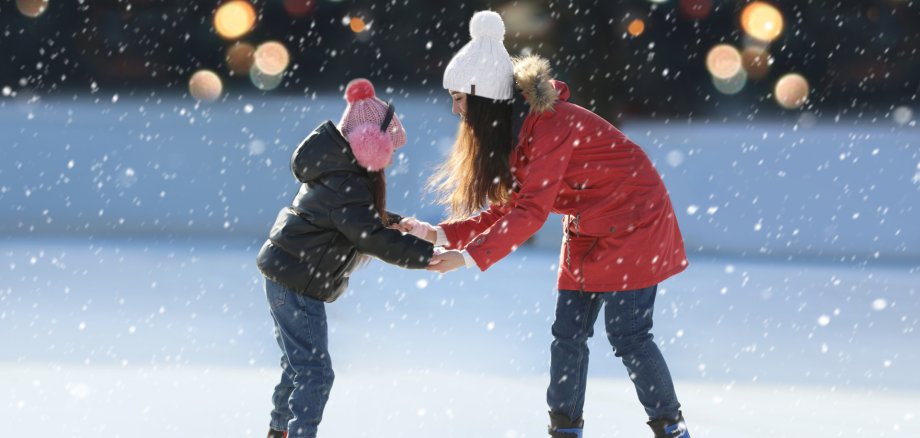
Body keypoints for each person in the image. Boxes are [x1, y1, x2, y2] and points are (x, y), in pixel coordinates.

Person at [401, 11, 692, 438]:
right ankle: (564, 430)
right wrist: (442, 234)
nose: (455, 108)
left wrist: (467, 258)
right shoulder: (518, 131)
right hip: (589, 226)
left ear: (484, 97)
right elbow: (514, 203)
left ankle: (672, 428)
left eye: (459, 97)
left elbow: (531, 213)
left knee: (628, 335)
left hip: (635, 221)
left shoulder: (551, 125)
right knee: (567, 334)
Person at [256, 78, 435, 438]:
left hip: (288, 276)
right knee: (315, 372)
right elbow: (368, 236)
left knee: (299, 367)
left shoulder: (338, 172)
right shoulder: (346, 182)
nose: (391, 159)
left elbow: (357, 219)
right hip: (297, 282)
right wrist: (428, 255)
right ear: (369, 144)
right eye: (389, 150)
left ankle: (280, 431)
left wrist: (394, 222)